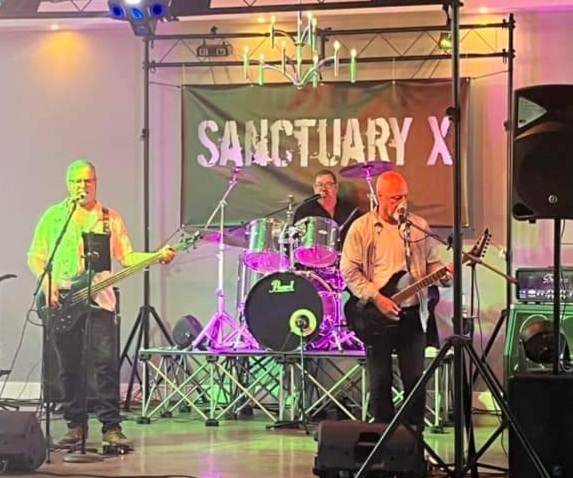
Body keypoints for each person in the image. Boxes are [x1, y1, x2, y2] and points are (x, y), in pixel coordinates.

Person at [27, 160, 175, 448]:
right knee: (68, 366)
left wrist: (156, 256)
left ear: (95, 183)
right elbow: (35, 256)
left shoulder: (110, 218)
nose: (82, 186)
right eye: (76, 181)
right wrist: (47, 283)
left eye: (87, 181)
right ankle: (75, 426)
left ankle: (111, 427)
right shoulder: (54, 217)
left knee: (105, 366)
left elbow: (127, 257)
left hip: (99, 301)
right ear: (68, 184)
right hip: (62, 299)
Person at [340, 170, 451, 427]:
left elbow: (432, 263)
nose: (401, 203)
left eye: (404, 197)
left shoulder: (418, 226)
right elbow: (349, 270)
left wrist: (443, 275)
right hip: (376, 314)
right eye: (394, 198)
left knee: (415, 381)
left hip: (412, 315)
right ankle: (383, 439)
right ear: (379, 197)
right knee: (380, 382)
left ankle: (413, 440)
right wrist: (376, 298)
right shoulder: (362, 228)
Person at [293, 169, 360, 249]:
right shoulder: (304, 211)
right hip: (314, 255)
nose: (324, 189)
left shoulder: (350, 211)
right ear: (314, 188)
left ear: (336, 187)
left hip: (345, 255)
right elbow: (296, 240)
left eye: (328, 184)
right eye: (320, 185)